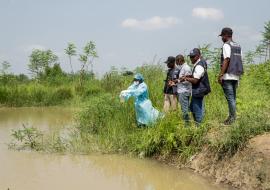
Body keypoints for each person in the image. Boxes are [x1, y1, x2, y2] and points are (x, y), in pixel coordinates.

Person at [218, 27, 244, 125]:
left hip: (228, 75)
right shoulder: (238, 46)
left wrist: (221, 75)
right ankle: (231, 117)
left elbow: (226, 59)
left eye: (222, 36)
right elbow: (241, 60)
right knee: (233, 98)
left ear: (225, 35)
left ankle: (232, 119)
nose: (221, 38)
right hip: (236, 75)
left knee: (230, 98)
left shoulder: (226, 45)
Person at [181, 48, 211, 125]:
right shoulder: (201, 63)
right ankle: (198, 123)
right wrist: (189, 76)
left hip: (199, 90)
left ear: (198, 56)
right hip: (200, 89)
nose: (191, 58)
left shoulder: (199, 66)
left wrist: (185, 78)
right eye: (190, 56)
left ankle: (199, 126)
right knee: (192, 107)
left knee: (196, 109)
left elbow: (196, 80)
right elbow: (197, 75)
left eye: (193, 56)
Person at [175, 54, 192, 125]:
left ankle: (187, 125)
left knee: (185, 109)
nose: (177, 64)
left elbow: (188, 80)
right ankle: (187, 123)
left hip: (184, 91)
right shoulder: (182, 68)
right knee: (184, 108)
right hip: (181, 91)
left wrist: (178, 81)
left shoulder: (186, 68)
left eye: (177, 62)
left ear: (180, 60)